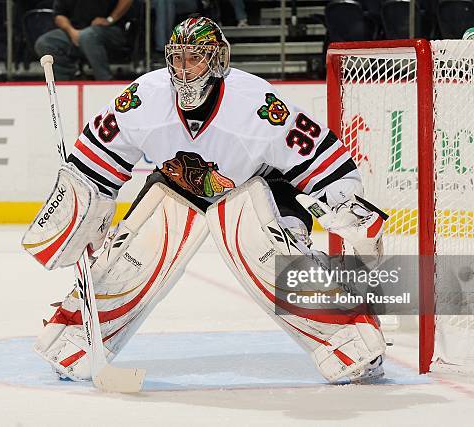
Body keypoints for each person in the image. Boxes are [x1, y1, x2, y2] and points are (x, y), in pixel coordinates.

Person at [24, 16, 387, 385]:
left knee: (268, 248)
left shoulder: (257, 105)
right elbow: (95, 158)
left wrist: (347, 207)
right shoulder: (144, 97)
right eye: (178, 58)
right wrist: (81, 209)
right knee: (130, 253)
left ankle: (350, 337)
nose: (184, 69)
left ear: (216, 61)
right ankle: (75, 338)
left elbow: (322, 160)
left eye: (195, 58)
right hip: (178, 183)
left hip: (261, 184)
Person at [35, 0, 134, 80]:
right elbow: (59, 15)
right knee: (45, 42)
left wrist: (110, 19)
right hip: (76, 31)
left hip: (111, 31)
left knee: (88, 36)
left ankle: (105, 81)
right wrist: (71, 31)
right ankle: (66, 83)